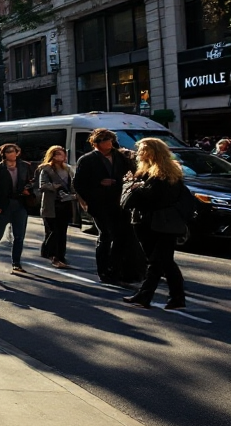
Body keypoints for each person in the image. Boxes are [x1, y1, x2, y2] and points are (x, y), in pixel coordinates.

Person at [121, 138, 189, 310]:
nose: (139, 153)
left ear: (153, 152)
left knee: (156, 261)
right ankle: (177, 298)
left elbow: (155, 198)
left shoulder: (164, 173)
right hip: (153, 223)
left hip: (162, 223)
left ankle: (145, 296)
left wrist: (135, 188)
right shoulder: (148, 171)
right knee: (164, 262)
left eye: (143, 149)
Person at [74, 128, 141, 283]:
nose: (108, 144)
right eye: (105, 141)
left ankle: (117, 269)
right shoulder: (87, 159)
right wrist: (98, 183)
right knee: (106, 235)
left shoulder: (120, 156)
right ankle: (103, 271)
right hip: (99, 203)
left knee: (122, 236)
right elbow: (78, 183)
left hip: (120, 202)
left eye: (110, 140)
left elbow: (133, 172)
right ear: (97, 143)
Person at [0, 143, 35, 273]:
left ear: (18, 153)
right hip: (3, 204)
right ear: (4, 154)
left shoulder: (25, 166)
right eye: (8, 151)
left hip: (20, 204)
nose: (11, 154)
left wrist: (28, 189)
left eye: (13, 151)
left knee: (19, 236)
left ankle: (16, 263)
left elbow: (32, 181)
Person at [37, 146, 76, 269]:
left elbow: (74, 184)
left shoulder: (68, 169)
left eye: (63, 154)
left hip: (66, 203)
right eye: (58, 154)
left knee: (62, 231)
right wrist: (54, 186)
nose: (62, 156)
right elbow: (42, 186)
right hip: (51, 204)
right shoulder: (47, 169)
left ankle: (59, 255)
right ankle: (54, 256)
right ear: (53, 155)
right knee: (53, 231)